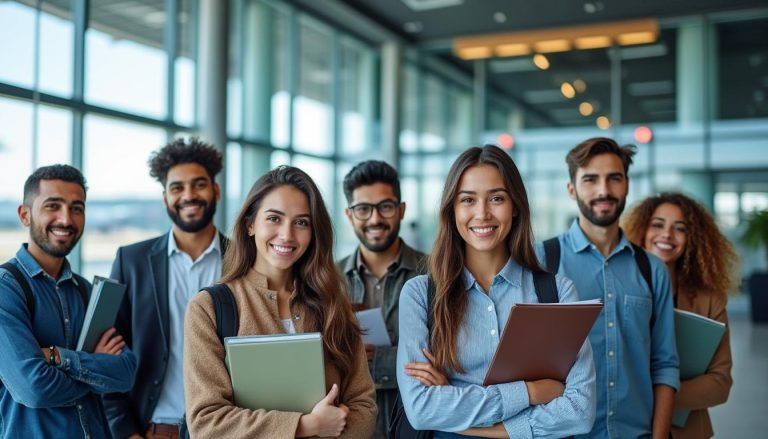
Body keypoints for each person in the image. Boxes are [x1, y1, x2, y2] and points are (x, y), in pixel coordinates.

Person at [397, 145, 596, 438]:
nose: (482, 213)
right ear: (452, 210)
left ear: (515, 206)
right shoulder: (420, 294)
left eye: (497, 198)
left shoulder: (557, 292)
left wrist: (462, 409)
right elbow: (422, 409)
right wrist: (530, 392)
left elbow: (580, 411)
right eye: (468, 200)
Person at [183, 165, 376, 438]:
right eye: (274, 218)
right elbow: (207, 422)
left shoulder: (334, 305)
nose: (287, 235)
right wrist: (307, 426)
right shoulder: (208, 308)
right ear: (250, 224)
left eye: (301, 222)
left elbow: (364, 407)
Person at [538, 137, 679, 438]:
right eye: (590, 179)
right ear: (572, 189)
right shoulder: (541, 263)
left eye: (614, 178)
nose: (604, 190)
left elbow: (664, 363)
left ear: (627, 184)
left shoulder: (653, 270)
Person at [103, 138, 228, 439]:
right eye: (177, 188)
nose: (188, 195)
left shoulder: (246, 261)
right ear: (165, 198)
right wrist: (125, 432)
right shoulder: (130, 261)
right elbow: (105, 355)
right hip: (156, 430)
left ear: (216, 191)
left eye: (199, 185)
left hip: (229, 428)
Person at [0, 165, 136, 438]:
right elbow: (33, 389)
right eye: (53, 206)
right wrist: (96, 370)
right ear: (25, 215)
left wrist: (56, 356)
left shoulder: (87, 291)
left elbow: (125, 374)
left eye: (77, 208)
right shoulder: (7, 288)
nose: (66, 219)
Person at [623, 192, 736, 439]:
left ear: (693, 239)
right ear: (641, 230)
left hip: (688, 431)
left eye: (680, 228)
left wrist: (659, 396)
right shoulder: (617, 291)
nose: (667, 235)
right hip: (625, 428)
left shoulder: (710, 300)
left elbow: (720, 384)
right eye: (658, 224)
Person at [338, 160, 427, 438]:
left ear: (401, 210)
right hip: (350, 427)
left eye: (385, 207)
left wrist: (380, 361)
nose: (375, 219)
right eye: (363, 209)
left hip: (417, 426)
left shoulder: (435, 273)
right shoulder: (327, 280)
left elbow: (449, 356)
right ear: (349, 215)